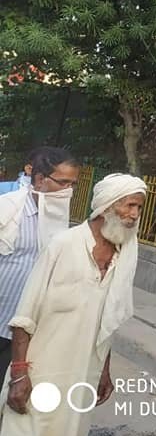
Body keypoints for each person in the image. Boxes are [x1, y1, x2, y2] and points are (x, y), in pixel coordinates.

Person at [0, 172, 147, 436]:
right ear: (106, 206)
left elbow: (107, 319)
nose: (135, 214)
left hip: (83, 376)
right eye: (129, 205)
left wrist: (104, 371)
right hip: (41, 371)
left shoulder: (124, 256)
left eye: (139, 207)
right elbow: (24, 317)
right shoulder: (63, 245)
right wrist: (19, 374)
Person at [0, 147, 79, 381]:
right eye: (63, 182)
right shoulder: (7, 209)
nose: (69, 190)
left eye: (73, 184)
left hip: (21, 331)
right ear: (40, 180)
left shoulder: (60, 222)